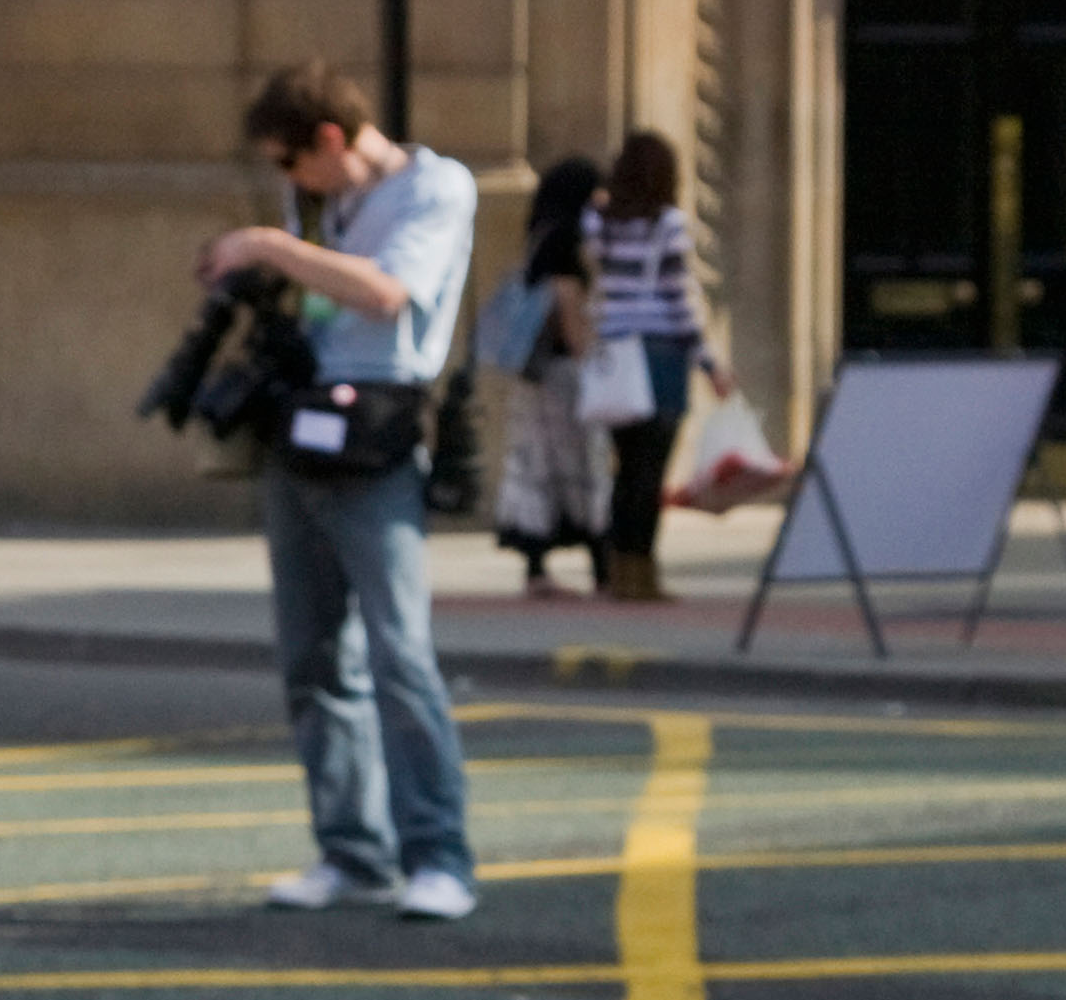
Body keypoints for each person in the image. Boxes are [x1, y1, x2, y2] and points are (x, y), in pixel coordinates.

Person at [203, 57, 478, 919]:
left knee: (400, 655)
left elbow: (389, 295)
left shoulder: (437, 189)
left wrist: (273, 247)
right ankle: (351, 849)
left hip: (377, 438)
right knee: (313, 655)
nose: (287, 182)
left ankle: (439, 856)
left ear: (330, 138)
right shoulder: (319, 202)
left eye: (290, 162)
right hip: (301, 425)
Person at [582, 129, 725, 603]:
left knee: (626, 471)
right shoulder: (669, 224)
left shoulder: (597, 221)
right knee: (651, 472)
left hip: (615, 350)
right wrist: (709, 362)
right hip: (660, 351)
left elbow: (593, 271)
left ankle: (620, 572)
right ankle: (642, 573)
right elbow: (680, 299)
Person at [490, 151, 609, 590]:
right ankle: (599, 563)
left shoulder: (539, 235)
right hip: (561, 371)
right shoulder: (567, 239)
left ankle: (537, 567)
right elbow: (566, 300)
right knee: (582, 464)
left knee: (536, 466)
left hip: (533, 371)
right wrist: (587, 356)